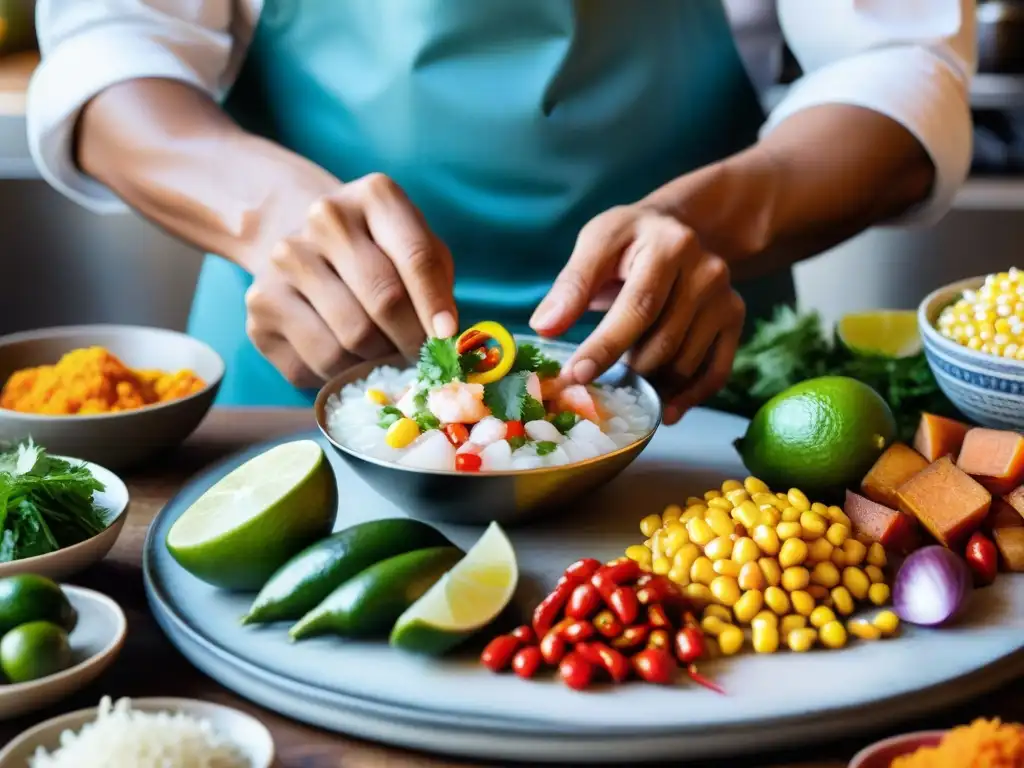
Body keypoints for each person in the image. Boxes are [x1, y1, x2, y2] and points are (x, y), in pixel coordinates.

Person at [28, 1, 975, 423]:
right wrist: (267, 214)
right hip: (301, 384)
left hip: (682, 390)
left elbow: (899, 66)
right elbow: (110, 45)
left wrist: (718, 221)